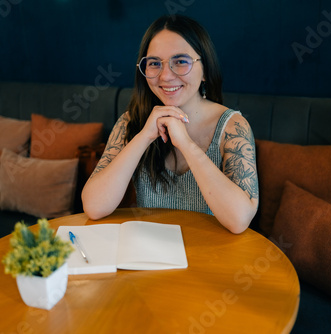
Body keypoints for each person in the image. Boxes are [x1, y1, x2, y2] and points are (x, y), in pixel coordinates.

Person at [81, 15, 258, 234]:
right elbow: (94, 206)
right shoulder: (131, 122)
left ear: (205, 69)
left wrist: (186, 144)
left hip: (213, 257)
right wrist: (145, 136)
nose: (165, 76)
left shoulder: (233, 127)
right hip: (152, 255)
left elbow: (239, 220)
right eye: (155, 63)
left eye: (181, 61)